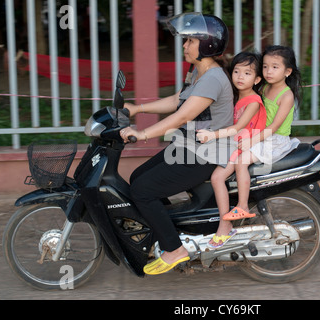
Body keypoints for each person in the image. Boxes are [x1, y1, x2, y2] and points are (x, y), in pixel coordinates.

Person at [119, 13, 233, 275]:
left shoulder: (214, 78)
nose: (184, 46)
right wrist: (138, 108)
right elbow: (178, 100)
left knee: (143, 190)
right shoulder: (199, 72)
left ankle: (175, 249)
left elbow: (183, 115)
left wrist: (143, 134)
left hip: (205, 154)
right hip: (188, 146)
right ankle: (169, 232)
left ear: (207, 45)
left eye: (190, 41)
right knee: (138, 177)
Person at [221, 45, 302, 222]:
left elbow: (273, 127)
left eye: (275, 67)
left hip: (274, 140)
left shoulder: (286, 96)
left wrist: (251, 140)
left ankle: (242, 206)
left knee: (241, 162)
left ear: (287, 71)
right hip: (258, 134)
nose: (268, 71)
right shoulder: (264, 87)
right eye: (265, 66)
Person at [196, 51, 267, 248]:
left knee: (217, 177)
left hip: (243, 144)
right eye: (236, 71)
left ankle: (227, 222)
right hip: (233, 142)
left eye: (247, 73)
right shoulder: (236, 96)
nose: (240, 77)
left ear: (257, 78)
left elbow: (237, 128)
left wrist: (211, 135)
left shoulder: (252, 101)